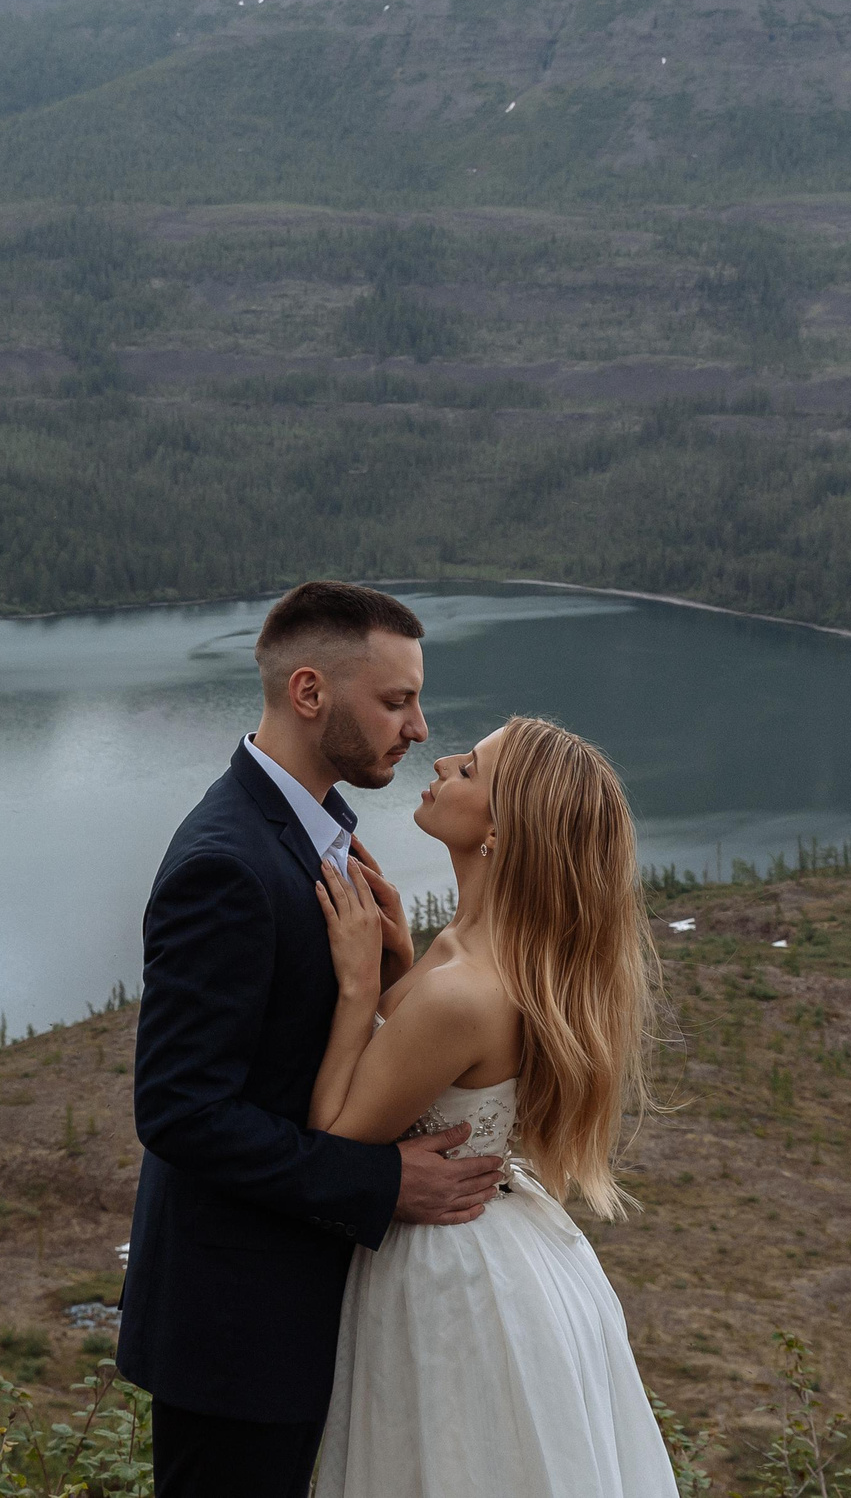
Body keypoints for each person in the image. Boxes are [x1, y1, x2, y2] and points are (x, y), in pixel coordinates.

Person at [117, 581, 506, 1498]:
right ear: (308, 692)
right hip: (236, 1331)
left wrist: (391, 988)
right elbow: (178, 1109)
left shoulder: (322, 833)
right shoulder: (226, 862)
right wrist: (381, 1180)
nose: (418, 730)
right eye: (397, 700)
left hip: (306, 1307)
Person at [306, 714, 682, 1498]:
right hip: (512, 1252)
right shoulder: (475, 955)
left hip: (452, 1278)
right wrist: (400, 969)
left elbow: (333, 1144)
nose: (440, 759)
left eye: (470, 769)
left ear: (501, 835)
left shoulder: (465, 991)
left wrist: (357, 989)